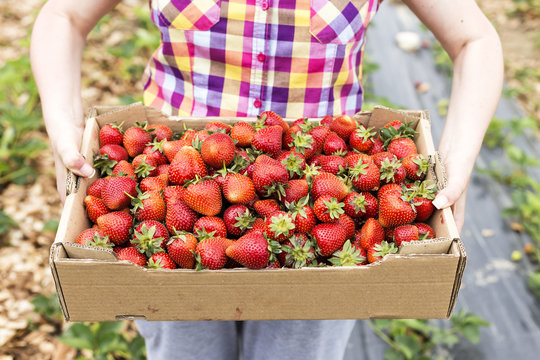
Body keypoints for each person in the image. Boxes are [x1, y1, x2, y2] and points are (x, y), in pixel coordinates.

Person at [30, 0, 503, 359]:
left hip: (317, 182)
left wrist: (458, 160)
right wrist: (63, 124)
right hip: (168, 171)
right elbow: (64, 17)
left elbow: (474, 40)